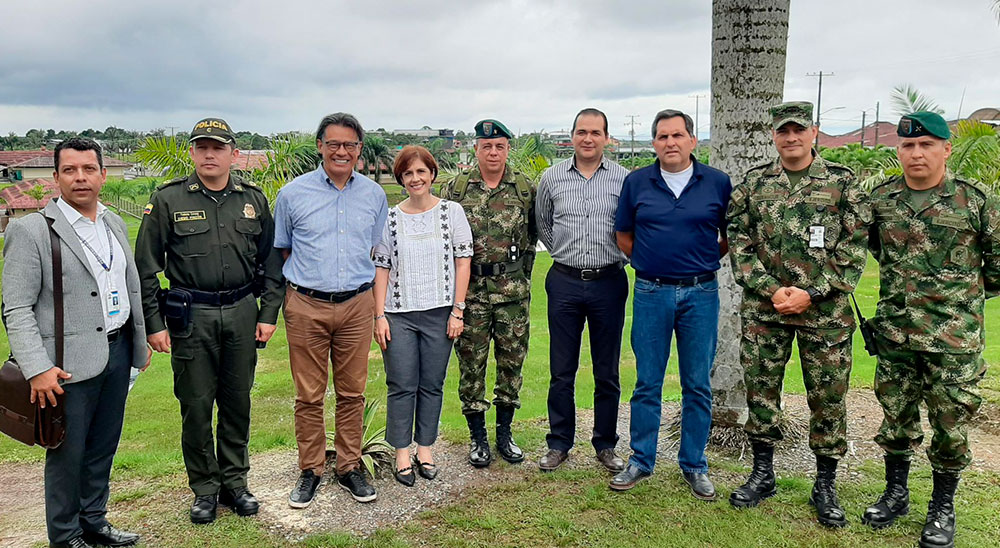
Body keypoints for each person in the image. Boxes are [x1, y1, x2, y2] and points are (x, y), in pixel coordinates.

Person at [725, 102, 870, 527]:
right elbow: (739, 241)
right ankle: (763, 473)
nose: (791, 137)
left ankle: (825, 483)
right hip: (764, 311)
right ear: (774, 135)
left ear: (814, 132)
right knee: (762, 392)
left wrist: (810, 292)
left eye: (798, 130)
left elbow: (853, 247)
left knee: (827, 398)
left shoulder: (843, 183)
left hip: (824, 314)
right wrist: (773, 290)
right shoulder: (754, 184)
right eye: (783, 131)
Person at [136, 118, 284, 524]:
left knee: (237, 402)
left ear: (233, 154)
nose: (209, 154)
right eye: (201, 147)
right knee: (196, 406)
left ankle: (235, 483)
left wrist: (268, 313)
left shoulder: (252, 199)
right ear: (192, 153)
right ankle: (204, 488)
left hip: (240, 311)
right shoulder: (168, 200)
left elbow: (272, 263)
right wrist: (153, 323)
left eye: (217, 147)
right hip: (192, 316)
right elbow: (145, 268)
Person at [3, 138, 149, 548]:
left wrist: (138, 345)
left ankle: (94, 522)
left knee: (103, 445)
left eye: (88, 169)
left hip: (117, 352)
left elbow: (126, 287)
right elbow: (15, 308)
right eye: (70, 170)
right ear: (56, 178)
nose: (80, 177)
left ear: (104, 174)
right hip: (63, 365)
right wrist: (37, 368)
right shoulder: (30, 230)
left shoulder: (113, 223)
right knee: (67, 455)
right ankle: (65, 537)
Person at [863, 112, 999, 548]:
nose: (916, 153)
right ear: (898, 151)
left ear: (946, 148)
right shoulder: (882, 200)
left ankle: (942, 507)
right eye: (907, 146)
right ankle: (896, 494)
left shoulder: (975, 201)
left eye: (925, 145)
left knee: (950, 425)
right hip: (896, 334)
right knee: (896, 418)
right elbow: (875, 251)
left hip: (952, 340)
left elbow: (996, 269)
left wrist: (955, 302)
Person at [611, 109, 732, 499]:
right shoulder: (637, 182)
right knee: (648, 381)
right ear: (654, 144)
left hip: (701, 294)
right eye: (662, 137)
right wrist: (651, 263)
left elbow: (727, 236)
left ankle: (695, 464)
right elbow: (623, 235)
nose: (670, 143)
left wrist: (698, 261)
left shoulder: (716, 183)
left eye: (678, 135)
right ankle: (641, 460)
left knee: (697, 383)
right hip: (651, 292)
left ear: (693, 140)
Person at [274, 112, 388, 505]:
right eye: (334, 144)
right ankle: (310, 469)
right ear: (320, 146)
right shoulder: (292, 194)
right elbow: (285, 249)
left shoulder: (374, 195)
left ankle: (349, 467)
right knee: (308, 394)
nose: (342, 151)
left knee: (352, 392)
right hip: (306, 304)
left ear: (359, 149)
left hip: (357, 303)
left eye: (350, 145)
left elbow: (374, 252)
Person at [373, 145, 473, 486]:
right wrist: (379, 315)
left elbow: (463, 261)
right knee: (401, 383)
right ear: (401, 179)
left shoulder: (451, 212)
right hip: (398, 314)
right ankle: (402, 452)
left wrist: (457, 310)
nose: (415, 178)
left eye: (421, 172)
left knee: (432, 384)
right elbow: (382, 267)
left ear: (431, 174)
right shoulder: (389, 217)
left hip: (440, 313)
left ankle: (425, 448)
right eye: (407, 173)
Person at [536, 108, 628, 473]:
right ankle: (559, 442)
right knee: (562, 369)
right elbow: (543, 224)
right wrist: (565, 253)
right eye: (581, 131)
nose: (587, 138)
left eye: (595, 132)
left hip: (609, 281)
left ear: (606, 137)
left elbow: (631, 223)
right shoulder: (552, 178)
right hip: (565, 281)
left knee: (607, 370)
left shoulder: (623, 179)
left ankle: (605, 444)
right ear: (571, 136)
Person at [440, 118, 537, 468]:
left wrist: (520, 280)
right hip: (472, 296)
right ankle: (478, 438)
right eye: (486, 146)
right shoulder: (456, 190)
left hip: (512, 296)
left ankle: (505, 435)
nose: (493, 152)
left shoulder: (525, 189)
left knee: (511, 365)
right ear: (476, 149)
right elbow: (445, 242)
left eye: (499, 146)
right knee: (471, 366)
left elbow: (532, 240)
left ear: (507, 148)